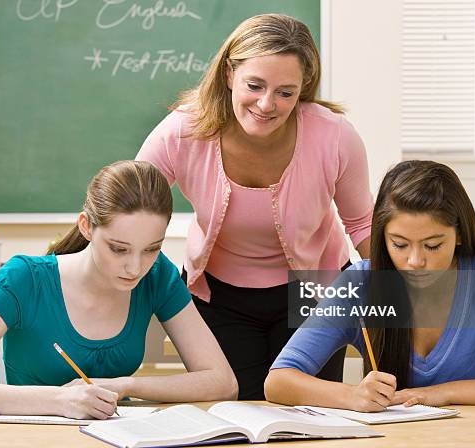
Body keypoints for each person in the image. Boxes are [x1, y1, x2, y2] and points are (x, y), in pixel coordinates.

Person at [136, 13, 373, 399]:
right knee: (236, 414)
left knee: (311, 417)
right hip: (217, 297)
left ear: (303, 88)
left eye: (285, 92)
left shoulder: (335, 136)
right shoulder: (183, 129)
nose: (267, 104)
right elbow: (130, 203)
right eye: (255, 85)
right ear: (230, 73)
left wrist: (403, 301)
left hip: (315, 294)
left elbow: (362, 225)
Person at [0, 161, 237, 419]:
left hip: (114, 436)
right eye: (118, 249)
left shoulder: (157, 275)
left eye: (152, 248)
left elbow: (222, 382)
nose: (135, 267)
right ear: (87, 226)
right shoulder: (23, 279)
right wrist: (61, 402)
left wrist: (126, 386)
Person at [265, 160, 475, 409]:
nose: (415, 261)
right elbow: (278, 381)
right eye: (399, 244)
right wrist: (351, 396)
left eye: (433, 245)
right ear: (383, 238)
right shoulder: (359, 283)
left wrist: (440, 394)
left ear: (459, 234)